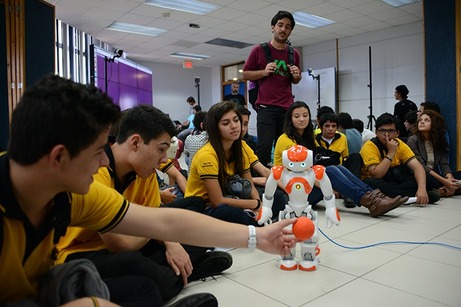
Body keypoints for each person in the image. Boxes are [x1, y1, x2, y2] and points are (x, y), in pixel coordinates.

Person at [0, 74, 298, 305]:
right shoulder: (78, 187)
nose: (104, 159)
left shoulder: (70, 192)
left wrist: (257, 237)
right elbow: (131, 240)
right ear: (58, 158)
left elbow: (164, 221)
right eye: (96, 151)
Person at [55, 105, 233, 304]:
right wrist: (161, 232)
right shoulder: (96, 171)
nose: (165, 159)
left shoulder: (143, 170)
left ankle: (179, 267)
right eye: (161, 149)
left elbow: (155, 215)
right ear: (136, 142)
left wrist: (170, 241)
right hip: (82, 253)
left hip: (133, 238)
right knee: (138, 267)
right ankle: (184, 271)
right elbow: (121, 244)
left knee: (196, 220)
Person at [273, 101, 407, 217]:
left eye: (305, 115)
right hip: (294, 191)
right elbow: (302, 171)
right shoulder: (286, 140)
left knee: (336, 167)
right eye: (297, 116)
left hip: (308, 185)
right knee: (330, 171)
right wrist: (328, 186)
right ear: (290, 119)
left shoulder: (309, 138)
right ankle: (371, 201)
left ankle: (374, 197)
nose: (302, 119)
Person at [185, 101, 263, 225]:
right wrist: (254, 204)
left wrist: (259, 207)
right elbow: (217, 201)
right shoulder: (207, 155)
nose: (234, 126)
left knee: (276, 199)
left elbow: (249, 185)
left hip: (232, 197)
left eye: (236, 120)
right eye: (226, 123)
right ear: (215, 129)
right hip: (204, 208)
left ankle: (253, 221)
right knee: (231, 214)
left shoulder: (240, 148)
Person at [242, 10, 302, 168]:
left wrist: (297, 75)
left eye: (287, 27)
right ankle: (260, 185)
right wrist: (263, 72)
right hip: (266, 107)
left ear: (290, 31)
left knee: (286, 149)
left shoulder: (293, 53)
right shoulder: (259, 50)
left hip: (286, 108)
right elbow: (245, 74)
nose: (283, 29)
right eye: (280, 25)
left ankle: (285, 182)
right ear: (273, 27)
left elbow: (295, 81)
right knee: (264, 148)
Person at [360, 112, 440, 205]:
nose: (386, 135)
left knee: (426, 178)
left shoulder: (400, 144)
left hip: (394, 180)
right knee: (370, 183)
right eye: (382, 131)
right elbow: (377, 175)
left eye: (390, 131)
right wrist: (391, 153)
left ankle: (411, 196)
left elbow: (417, 167)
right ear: (376, 132)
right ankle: (412, 197)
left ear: (397, 133)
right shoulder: (369, 146)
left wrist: (421, 189)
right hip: (378, 182)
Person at [407, 110, 461, 197]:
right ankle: (446, 190)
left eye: (426, 120)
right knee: (427, 179)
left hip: (435, 175)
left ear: (435, 124)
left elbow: (444, 164)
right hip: (422, 175)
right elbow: (421, 166)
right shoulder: (413, 140)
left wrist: (449, 178)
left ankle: (444, 190)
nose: (422, 122)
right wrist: (445, 181)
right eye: (420, 120)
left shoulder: (439, 141)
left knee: (458, 175)